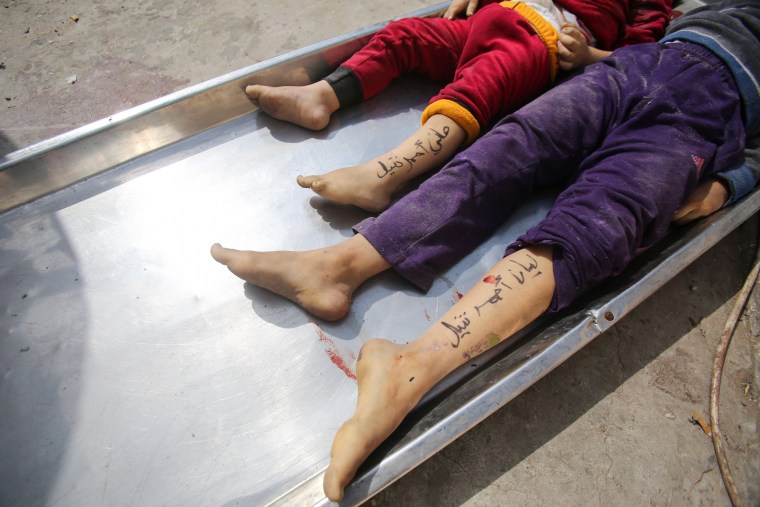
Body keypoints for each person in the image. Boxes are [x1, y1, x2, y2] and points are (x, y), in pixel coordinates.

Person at [212, 0, 760, 501]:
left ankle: (412, 366)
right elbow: (665, 19)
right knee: (513, 143)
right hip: (639, 64)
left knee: (602, 225)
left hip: (709, 115)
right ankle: (339, 266)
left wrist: (733, 181)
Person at [246, 0, 672, 213]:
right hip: (494, 15)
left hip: (542, 40)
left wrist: (586, 58)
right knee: (406, 35)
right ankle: (323, 95)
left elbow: (643, 55)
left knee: (477, 88)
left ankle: (385, 174)